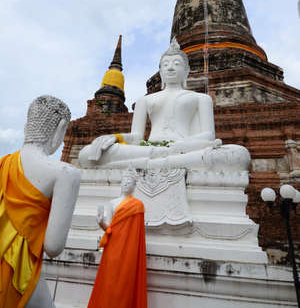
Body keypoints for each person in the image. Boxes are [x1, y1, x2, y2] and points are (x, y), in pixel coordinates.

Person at [79, 38, 220, 169]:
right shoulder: (145, 100)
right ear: (160, 71)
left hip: (183, 149)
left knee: (236, 154)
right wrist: (115, 137)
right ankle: (161, 161)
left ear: (187, 71)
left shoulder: (201, 98)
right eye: (165, 65)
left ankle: (148, 163)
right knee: (87, 153)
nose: (170, 68)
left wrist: (180, 146)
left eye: (176, 64)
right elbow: (136, 137)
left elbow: (209, 135)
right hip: (147, 149)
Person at [0, 95, 81, 308]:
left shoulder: (3, 163)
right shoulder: (65, 174)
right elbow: (53, 246)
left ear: (27, 125)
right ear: (60, 130)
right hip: (18, 268)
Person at [87, 171, 147, 308]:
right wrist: (101, 222)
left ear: (134, 186)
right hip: (112, 247)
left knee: (125, 282)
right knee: (109, 281)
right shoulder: (112, 203)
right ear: (120, 183)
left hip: (129, 250)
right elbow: (109, 228)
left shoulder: (138, 205)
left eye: (130, 182)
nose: (126, 183)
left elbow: (137, 234)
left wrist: (133, 251)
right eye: (124, 181)